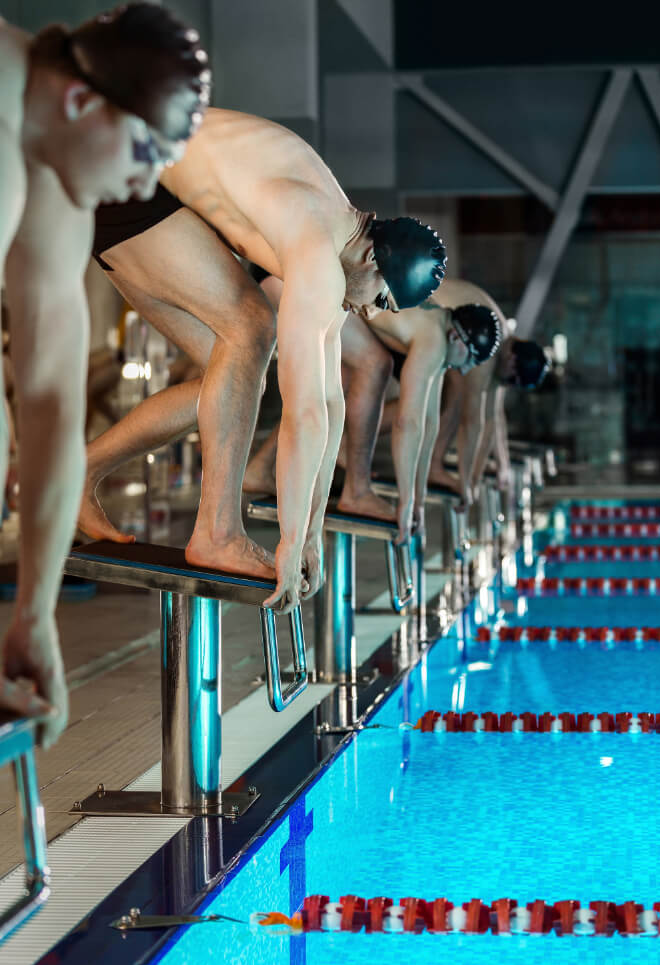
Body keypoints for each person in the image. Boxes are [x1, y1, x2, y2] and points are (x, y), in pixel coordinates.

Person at [78, 107, 447, 613]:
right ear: (372, 260)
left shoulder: (342, 245)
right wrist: (290, 541)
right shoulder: (320, 251)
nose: (370, 312)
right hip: (126, 167)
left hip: (135, 174)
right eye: (381, 299)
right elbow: (302, 416)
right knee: (252, 327)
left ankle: (83, 472)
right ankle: (217, 532)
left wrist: (312, 532)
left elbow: (331, 406)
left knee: (228, 375)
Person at [0, 2, 210, 747]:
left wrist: (35, 616)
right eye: (146, 150)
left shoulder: (52, 164)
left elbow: (52, 397)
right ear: (81, 100)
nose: (147, 182)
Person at [245, 272, 499, 541]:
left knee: (365, 368)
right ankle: (357, 490)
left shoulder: (438, 327)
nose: (467, 368)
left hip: (300, 288)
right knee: (374, 364)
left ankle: (261, 468)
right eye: (470, 359)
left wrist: (417, 501)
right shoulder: (434, 341)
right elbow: (408, 423)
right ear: (458, 339)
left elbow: (429, 424)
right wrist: (406, 502)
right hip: (299, 288)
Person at [426, 287, 549, 508]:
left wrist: (501, 465)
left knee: (457, 397)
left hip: (434, 319)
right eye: (510, 381)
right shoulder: (488, 352)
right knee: (455, 403)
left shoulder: (501, 342)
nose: (506, 385)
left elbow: (492, 417)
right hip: (416, 311)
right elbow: (472, 422)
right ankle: (433, 466)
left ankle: (434, 465)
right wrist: (467, 483)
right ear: (511, 361)